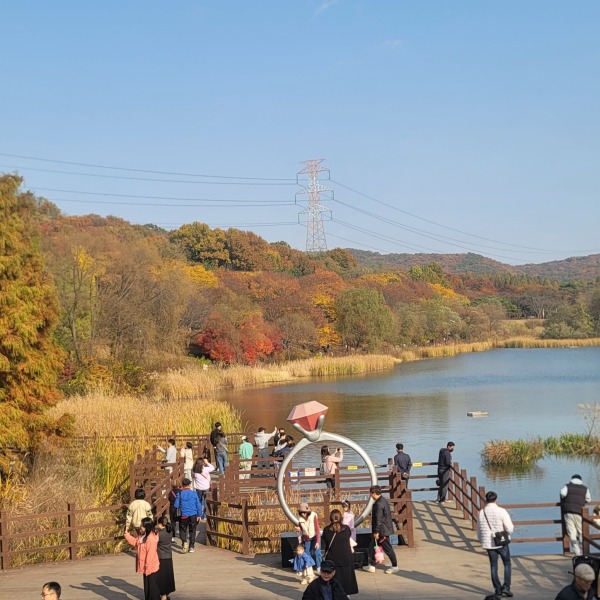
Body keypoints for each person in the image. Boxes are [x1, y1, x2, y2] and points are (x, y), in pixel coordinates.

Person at [477, 490, 515, 598]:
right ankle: (506, 588)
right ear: (496, 500)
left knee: (493, 566)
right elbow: (510, 528)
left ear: (486, 500)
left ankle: (497, 589)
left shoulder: (481, 512)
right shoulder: (501, 511)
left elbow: (479, 530)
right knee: (507, 564)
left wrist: (481, 540)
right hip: (501, 542)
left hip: (489, 544)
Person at [362, 485, 398, 574]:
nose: (370, 495)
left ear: (374, 493)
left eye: (371, 493)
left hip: (382, 531)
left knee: (388, 548)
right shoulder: (383, 500)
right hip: (384, 529)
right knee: (372, 547)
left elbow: (378, 519)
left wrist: (376, 532)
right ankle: (371, 564)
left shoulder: (378, 504)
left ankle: (395, 566)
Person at [321, 509, 359, 595]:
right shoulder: (346, 529)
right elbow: (348, 536)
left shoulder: (326, 530)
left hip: (332, 559)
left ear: (330, 518)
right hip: (346, 558)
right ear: (341, 518)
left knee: (333, 584)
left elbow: (325, 541)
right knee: (346, 583)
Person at [124, 516, 160, 600]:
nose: (140, 527)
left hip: (150, 567)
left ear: (147, 527)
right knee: (147, 587)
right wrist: (127, 534)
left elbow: (150, 555)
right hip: (145, 566)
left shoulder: (151, 539)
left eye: (142, 526)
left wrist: (148, 567)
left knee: (152, 587)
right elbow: (135, 542)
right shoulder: (143, 536)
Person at [561, 474, 591, 556]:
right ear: (581, 480)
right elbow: (588, 499)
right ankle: (584, 551)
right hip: (579, 512)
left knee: (572, 532)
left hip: (568, 512)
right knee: (581, 532)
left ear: (572, 479)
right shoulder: (585, 488)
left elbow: (562, 493)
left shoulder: (567, 486)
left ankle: (577, 552)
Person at [174, 478, 201, 553]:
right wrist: (199, 515)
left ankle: (184, 542)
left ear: (182, 485)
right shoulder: (194, 494)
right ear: (189, 484)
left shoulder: (179, 494)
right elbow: (198, 505)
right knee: (192, 530)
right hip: (193, 514)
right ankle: (191, 546)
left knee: (182, 529)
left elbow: (176, 505)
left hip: (184, 515)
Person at [297, 502, 323, 573]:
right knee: (306, 553)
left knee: (317, 553)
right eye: (301, 512)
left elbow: (317, 529)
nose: (303, 514)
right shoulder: (300, 518)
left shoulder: (313, 515)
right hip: (306, 538)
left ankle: (319, 568)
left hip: (315, 537)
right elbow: (301, 529)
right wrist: (299, 529)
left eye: (304, 512)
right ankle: (309, 568)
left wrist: (317, 542)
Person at [155, 516, 176, 600]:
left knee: (162, 577)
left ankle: (163, 595)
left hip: (161, 557)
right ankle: (167, 594)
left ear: (160, 524)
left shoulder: (159, 534)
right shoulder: (169, 531)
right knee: (168, 576)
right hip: (168, 556)